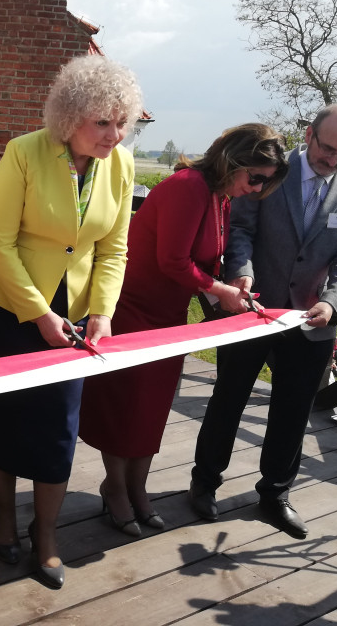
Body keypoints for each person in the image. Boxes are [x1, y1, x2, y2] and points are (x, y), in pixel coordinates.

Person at [0, 55, 140, 590]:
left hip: (78, 311)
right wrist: (37, 312)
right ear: (70, 116)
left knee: (58, 424)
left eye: (121, 121)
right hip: (8, 305)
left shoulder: (122, 165)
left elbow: (115, 248)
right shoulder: (24, 152)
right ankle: (2, 513)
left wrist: (102, 311)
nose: (115, 134)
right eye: (101, 122)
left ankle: (49, 533)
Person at [80, 124, 288, 535]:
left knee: (154, 407)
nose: (258, 188)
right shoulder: (188, 186)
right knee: (126, 406)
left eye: (267, 182)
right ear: (234, 161)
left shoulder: (219, 195)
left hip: (169, 313)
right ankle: (116, 488)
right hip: (132, 309)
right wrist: (219, 289)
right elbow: (172, 260)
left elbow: (205, 258)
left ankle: (138, 488)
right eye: (256, 177)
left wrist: (233, 283)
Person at [188, 102, 337, 539]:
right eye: (327, 149)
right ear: (309, 133)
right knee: (228, 399)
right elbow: (240, 230)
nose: (333, 161)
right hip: (251, 308)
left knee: (293, 412)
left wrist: (333, 304)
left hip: (310, 321)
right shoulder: (270, 169)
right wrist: (242, 274)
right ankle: (204, 482)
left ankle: (275, 493)